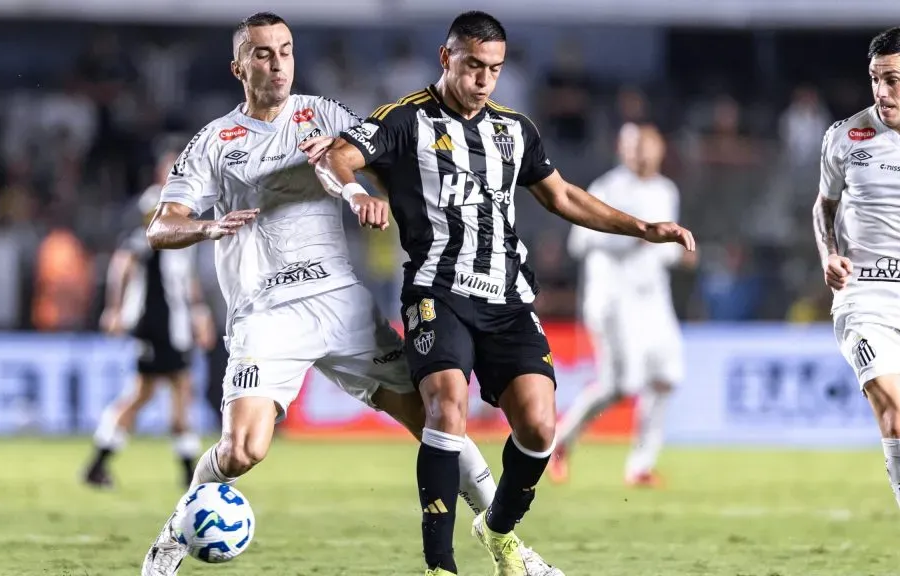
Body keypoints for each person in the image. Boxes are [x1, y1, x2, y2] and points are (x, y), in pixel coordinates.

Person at [140, 13, 556, 576]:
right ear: (239, 67)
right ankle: (176, 531)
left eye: (286, 50)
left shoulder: (324, 114)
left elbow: (388, 161)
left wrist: (359, 182)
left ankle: (508, 547)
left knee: (440, 420)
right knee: (242, 451)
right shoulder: (215, 141)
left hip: (342, 303)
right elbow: (160, 226)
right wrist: (208, 226)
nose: (278, 63)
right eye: (263, 53)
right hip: (267, 313)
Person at [316, 11, 695, 576]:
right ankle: (439, 566)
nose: (483, 79)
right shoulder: (404, 119)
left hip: (508, 298)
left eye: (494, 68)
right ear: (446, 58)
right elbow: (337, 156)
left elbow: (562, 196)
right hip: (437, 290)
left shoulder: (515, 130)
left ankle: (497, 532)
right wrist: (355, 194)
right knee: (446, 405)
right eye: (473, 65)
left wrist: (641, 227)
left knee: (539, 427)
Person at [549, 123, 696, 487]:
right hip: (614, 299)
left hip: (653, 298)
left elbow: (661, 251)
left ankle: (640, 465)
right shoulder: (607, 188)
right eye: (633, 147)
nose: (640, 154)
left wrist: (678, 254)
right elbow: (578, 243)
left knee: (665, 377)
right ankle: (559, 443)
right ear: (623, 150)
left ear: (660, 150)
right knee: (618, 385)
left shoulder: (665, 190)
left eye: (647, 146)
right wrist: (631, 236)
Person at [83, 146, 216, 490]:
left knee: (155, 392)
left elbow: (185, 273)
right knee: (169, 390)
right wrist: (114, 307)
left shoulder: (184, 207)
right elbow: (126, 258)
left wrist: (199, 313)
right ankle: (188, 473)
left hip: (174, 322)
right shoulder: (156, 203)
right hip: (156, 319)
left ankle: (100, 464)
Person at [816, 26, 900, 510]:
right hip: (865, 296)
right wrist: (829, 253)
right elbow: (824, 206)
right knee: (894, 411)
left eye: (892, 80)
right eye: (875, 79)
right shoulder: (846, 136)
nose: (881, 92)